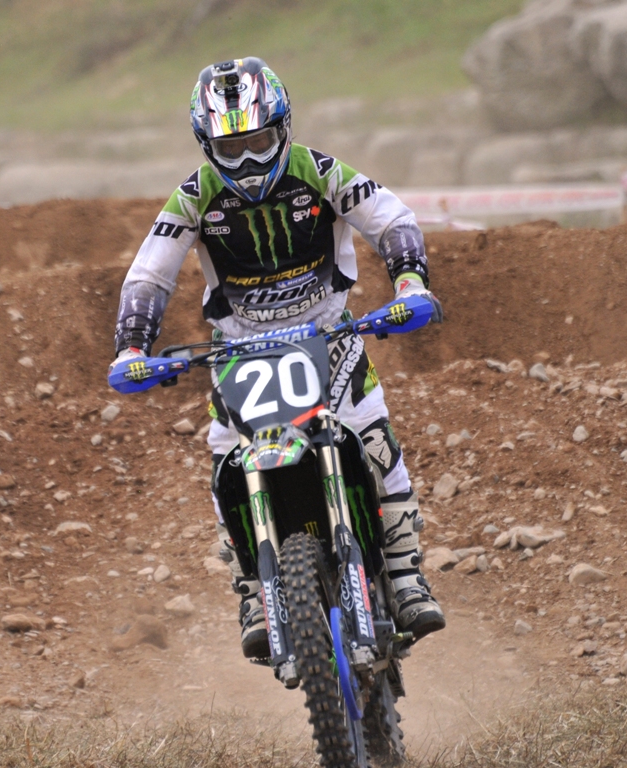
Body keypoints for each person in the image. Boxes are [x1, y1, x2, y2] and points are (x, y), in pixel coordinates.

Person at [110, 58, 446, 659]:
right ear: (206, 145)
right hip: (239, 352)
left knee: (373, 438)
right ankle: (253, 590)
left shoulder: (320, 171)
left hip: (329, 335)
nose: (246, 160)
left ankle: (403, 572)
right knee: (226, 463)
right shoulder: (194, 197)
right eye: (229, 148)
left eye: (259, 141)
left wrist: (410, 285)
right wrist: (132, 345)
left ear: (283, 127)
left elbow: (391, 218)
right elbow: (149, 275)